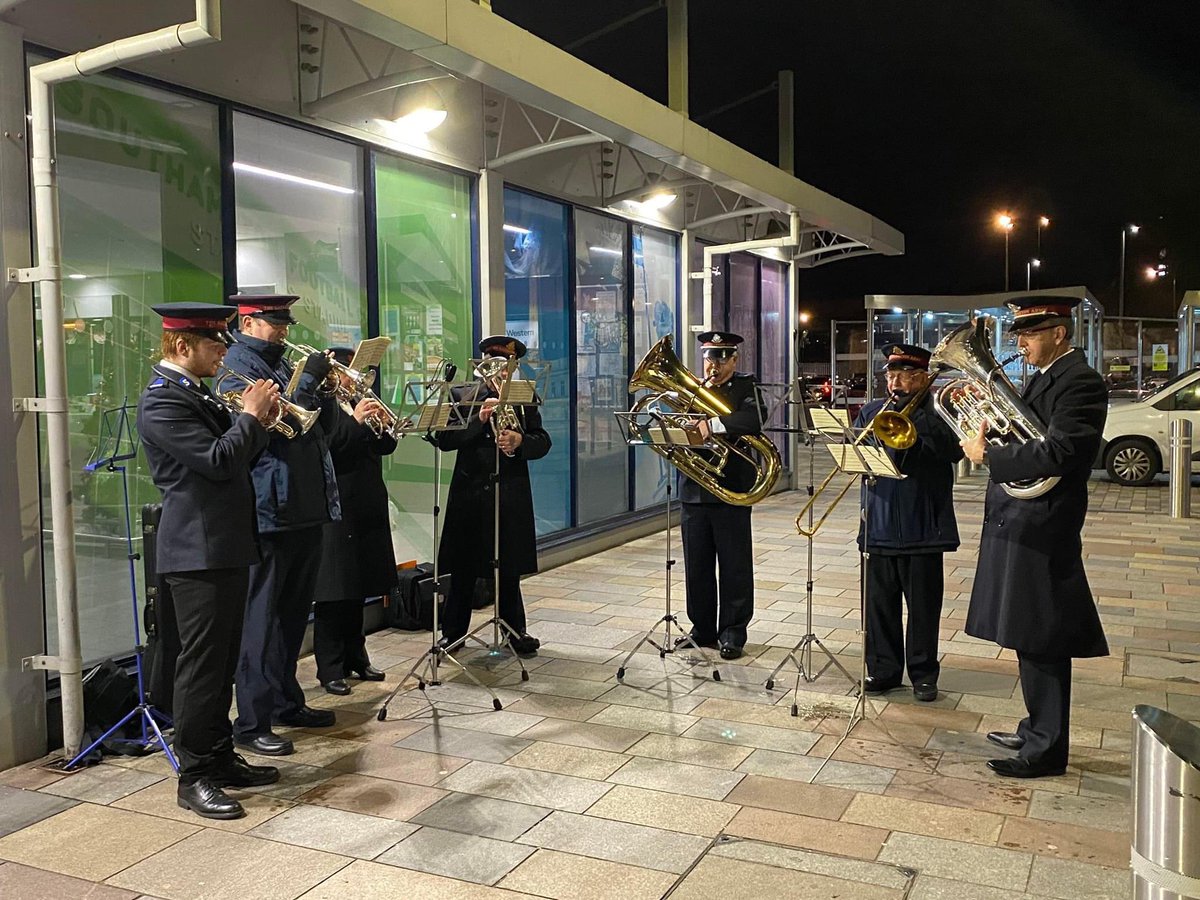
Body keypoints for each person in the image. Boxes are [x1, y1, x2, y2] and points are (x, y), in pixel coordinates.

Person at [137, 302, 281, 819]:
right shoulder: (161, 403)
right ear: (182, 345)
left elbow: (241, 453)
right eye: (215, 345)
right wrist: (248, 414)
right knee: (200, 666)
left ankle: (219, 757)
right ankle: (193, 774)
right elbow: (219, 460)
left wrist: (260, 419)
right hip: (196, 550)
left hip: (223, 543)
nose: (224, 354)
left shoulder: (193, 392)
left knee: (222, 661)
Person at [960, 296, 1109, 778]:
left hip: (1046, 521)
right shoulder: (1047, 377)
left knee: (1043, 633)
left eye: (1029, 333)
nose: (1019, 342)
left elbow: (1063, 450)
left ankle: (1046, 748)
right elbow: (1027, 435)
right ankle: (1035, 728)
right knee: (1028, 628)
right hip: (1023, 516)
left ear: (1059, 333)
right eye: (1019, 333)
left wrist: (990, 457)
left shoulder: (1081, 381)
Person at [219, 295, 341, 756]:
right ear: (249, 322)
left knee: (292, 616)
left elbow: (314, 431)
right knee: (262, 619)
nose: (284, 330)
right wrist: (307, 385)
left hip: (304, 506)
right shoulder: (237, 367)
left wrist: (325, 392)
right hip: (270, 510)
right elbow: (271, 424)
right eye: (275, 323)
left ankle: (287, 700)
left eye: (286, 322)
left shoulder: (279, 364)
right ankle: (251, 721)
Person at [854, 343, 963, 702]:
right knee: (879, 606)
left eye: (904, 375)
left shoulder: (940, 412)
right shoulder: (872, 410)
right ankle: (883, 670)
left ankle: (923, 674)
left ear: (921, 378)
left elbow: (953, 450)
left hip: (923, 525)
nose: (895, 381)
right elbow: (854, 452)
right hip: (879, 525)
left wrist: (923, 415)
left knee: (923, 607)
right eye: (890, 374)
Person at [435, 336, 550, 656]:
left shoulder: (524, 395)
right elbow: (444, 440)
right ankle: (452, 633)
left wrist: (519, 441)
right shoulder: (463, 394)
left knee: (508, 569)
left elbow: (542, 441)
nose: (498, 371)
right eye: (491, 363)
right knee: (463, 570)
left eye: (505, 365)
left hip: (509, 494)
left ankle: (517, 631)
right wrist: (479, 419)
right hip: (470, 494)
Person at [312, 348, 397, 695]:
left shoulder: (361, 400)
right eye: (352, 373)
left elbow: (385, 448)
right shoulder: (323, 404)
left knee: (358, 584)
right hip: (336, 504)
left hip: (366, 500)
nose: (358, 380)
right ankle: (330, 666)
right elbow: (327, 447)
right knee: (334, 590)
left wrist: (385, 429)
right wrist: (356, 422)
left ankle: (356, 656)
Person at [678, 331, 766, 660]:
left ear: (734, 360)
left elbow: (754, 418)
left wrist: (711, 424)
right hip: (694, 490)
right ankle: (701, 629)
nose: (712, 365)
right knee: (696, 566)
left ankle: (732, 631)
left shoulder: (747, 386)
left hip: (731, 488)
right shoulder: (692, 390)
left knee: (734, 565)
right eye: (708, 358)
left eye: (720, 358)